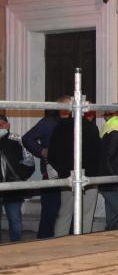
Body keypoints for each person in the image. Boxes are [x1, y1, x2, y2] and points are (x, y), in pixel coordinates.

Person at [22, 95, 69, 239]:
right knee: (50, 211)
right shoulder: (48, 123)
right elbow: (27, 138)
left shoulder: (75, 122)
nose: (70, 108)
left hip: (70, 173)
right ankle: (44, 241)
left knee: (68, 212)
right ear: (59, 107)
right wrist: (41, 151)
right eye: (67, 105)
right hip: (51, 174)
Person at [48, 108, 101, 235]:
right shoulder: (92, 128)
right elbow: (99, 154)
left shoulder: (61, 127)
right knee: (87, 214)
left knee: (65, 213)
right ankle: (83, 243)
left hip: (68, 175)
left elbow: (52, 154)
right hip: (89, 176)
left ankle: (60, 243)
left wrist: (63, 170)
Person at [0, 116, 35, 242]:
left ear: (8, 125)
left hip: (13, 188)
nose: (0, 126)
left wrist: (18, 177)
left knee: (15, 220)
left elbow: (29, 162)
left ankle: (16, 246)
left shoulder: (18, 139)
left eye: (2, 124)